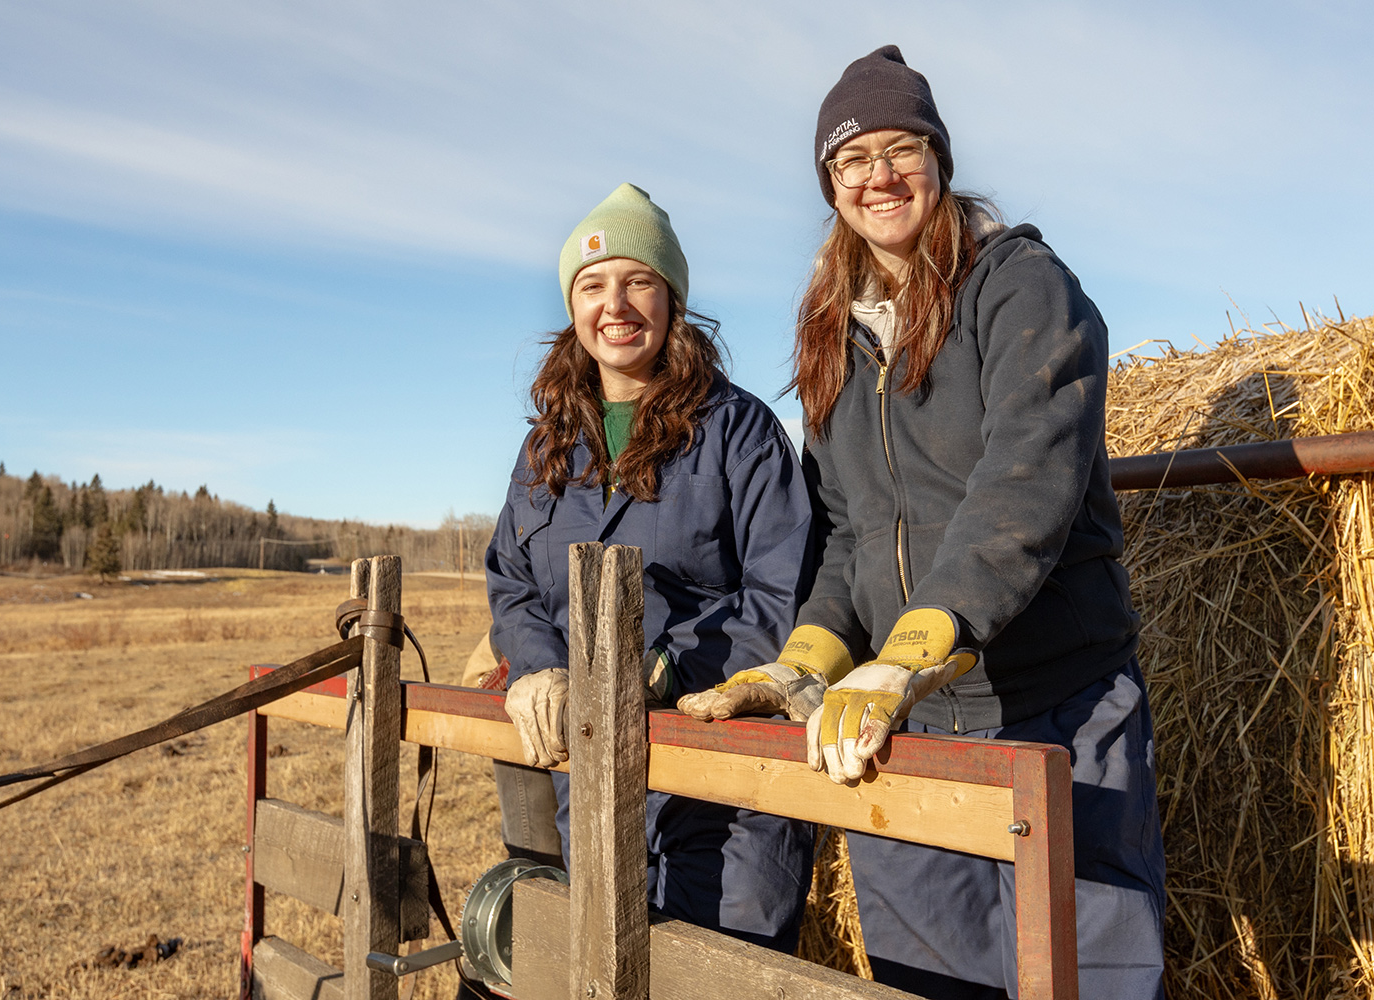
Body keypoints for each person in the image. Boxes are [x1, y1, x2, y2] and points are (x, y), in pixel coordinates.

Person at [676, 47, 1167, 998]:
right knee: (928, 983)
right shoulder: (836, 330)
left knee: (1091, 977)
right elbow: (846, 526)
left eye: (902, 150)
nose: (879, 177)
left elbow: (1027, 478)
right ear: (830, 186)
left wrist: (919, 640)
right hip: (901, 733)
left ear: (939, 160)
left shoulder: (1019, 285)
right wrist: (807, 658)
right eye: (852, 163)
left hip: (1052, 708)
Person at [485, 183, 816, 952]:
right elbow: (511, 582)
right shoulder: (545, 449)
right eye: (593, 285)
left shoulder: (740, 434)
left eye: (639, 281)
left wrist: (663, 670)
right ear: (573, 307)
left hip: (725, 788)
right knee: (604, 968)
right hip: (590, 776)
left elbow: (782, 589)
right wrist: (543, 672)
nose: (616, 304)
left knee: (720, 973)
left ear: (673, 300)